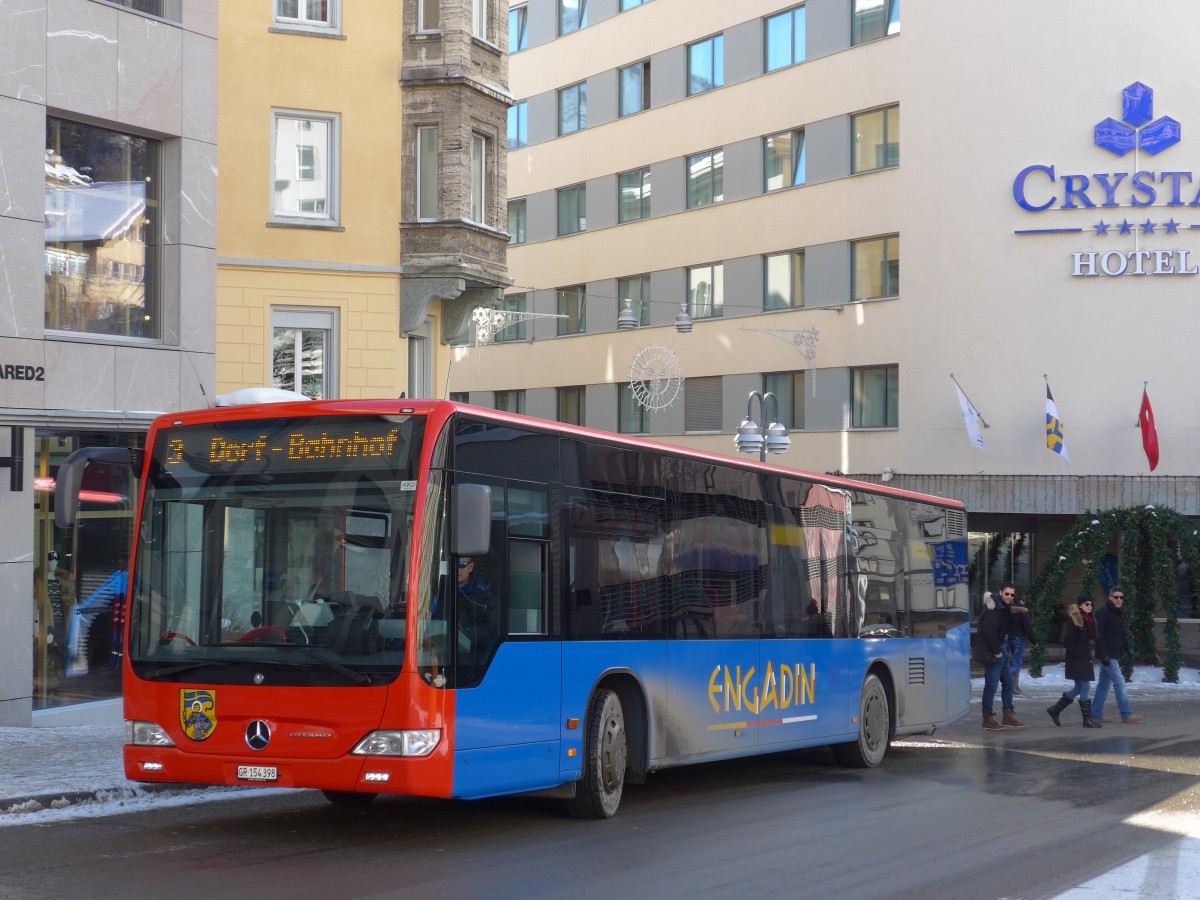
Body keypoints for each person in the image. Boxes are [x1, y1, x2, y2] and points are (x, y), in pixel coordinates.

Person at [972, 587, 1024, 730]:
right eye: (1007, 594)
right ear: (1001, 593)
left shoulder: (1003, 608)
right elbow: (989, 632)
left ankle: (1008, 715)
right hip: (994, 653)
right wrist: (997, 651)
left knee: (1009, 683)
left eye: (1012, 594)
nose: (1009, 596)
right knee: (991, 686)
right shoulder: (994, 609)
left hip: (1002, 652)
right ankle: (988, 718)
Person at [1046, 595, 1102, 727]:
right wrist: (1078, 654)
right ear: (1080, 605)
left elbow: (1094, 638)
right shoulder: (1075, 620)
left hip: (1083, 659)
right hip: (1078, 660)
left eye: (1091, 604)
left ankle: (1055, 709)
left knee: (1078, 687)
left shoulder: (1088, 620)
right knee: (1085, 686)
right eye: (1087, 604)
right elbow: (1068, 641)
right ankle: (1087, 720)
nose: (1089, 606)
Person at [1092, 586, 1142, 724]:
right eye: (1116, 597)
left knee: (1103, 684)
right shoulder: (1103, 613)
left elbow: (1122, 634)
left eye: (1121, 597)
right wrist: (1104, 655)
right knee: (1119, 682)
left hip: (1113, 653)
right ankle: (1126, 714)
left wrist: (1128, 648)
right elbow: (1098, 636)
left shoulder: (1118, 613)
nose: (1119, 599)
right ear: (1110, 598)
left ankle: (1096, 713)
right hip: (1107, 655)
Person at [1003, 584, 1039, 693]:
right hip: (1018, 640)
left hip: (1007, 639)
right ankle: (1013, 686)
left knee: (1005, 662)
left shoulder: (1007, 610)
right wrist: (1035, 642)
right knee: (1017, 663)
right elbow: (1028, 628)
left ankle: (1011, 684)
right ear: (1022, 601)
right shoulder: (1023, 612)